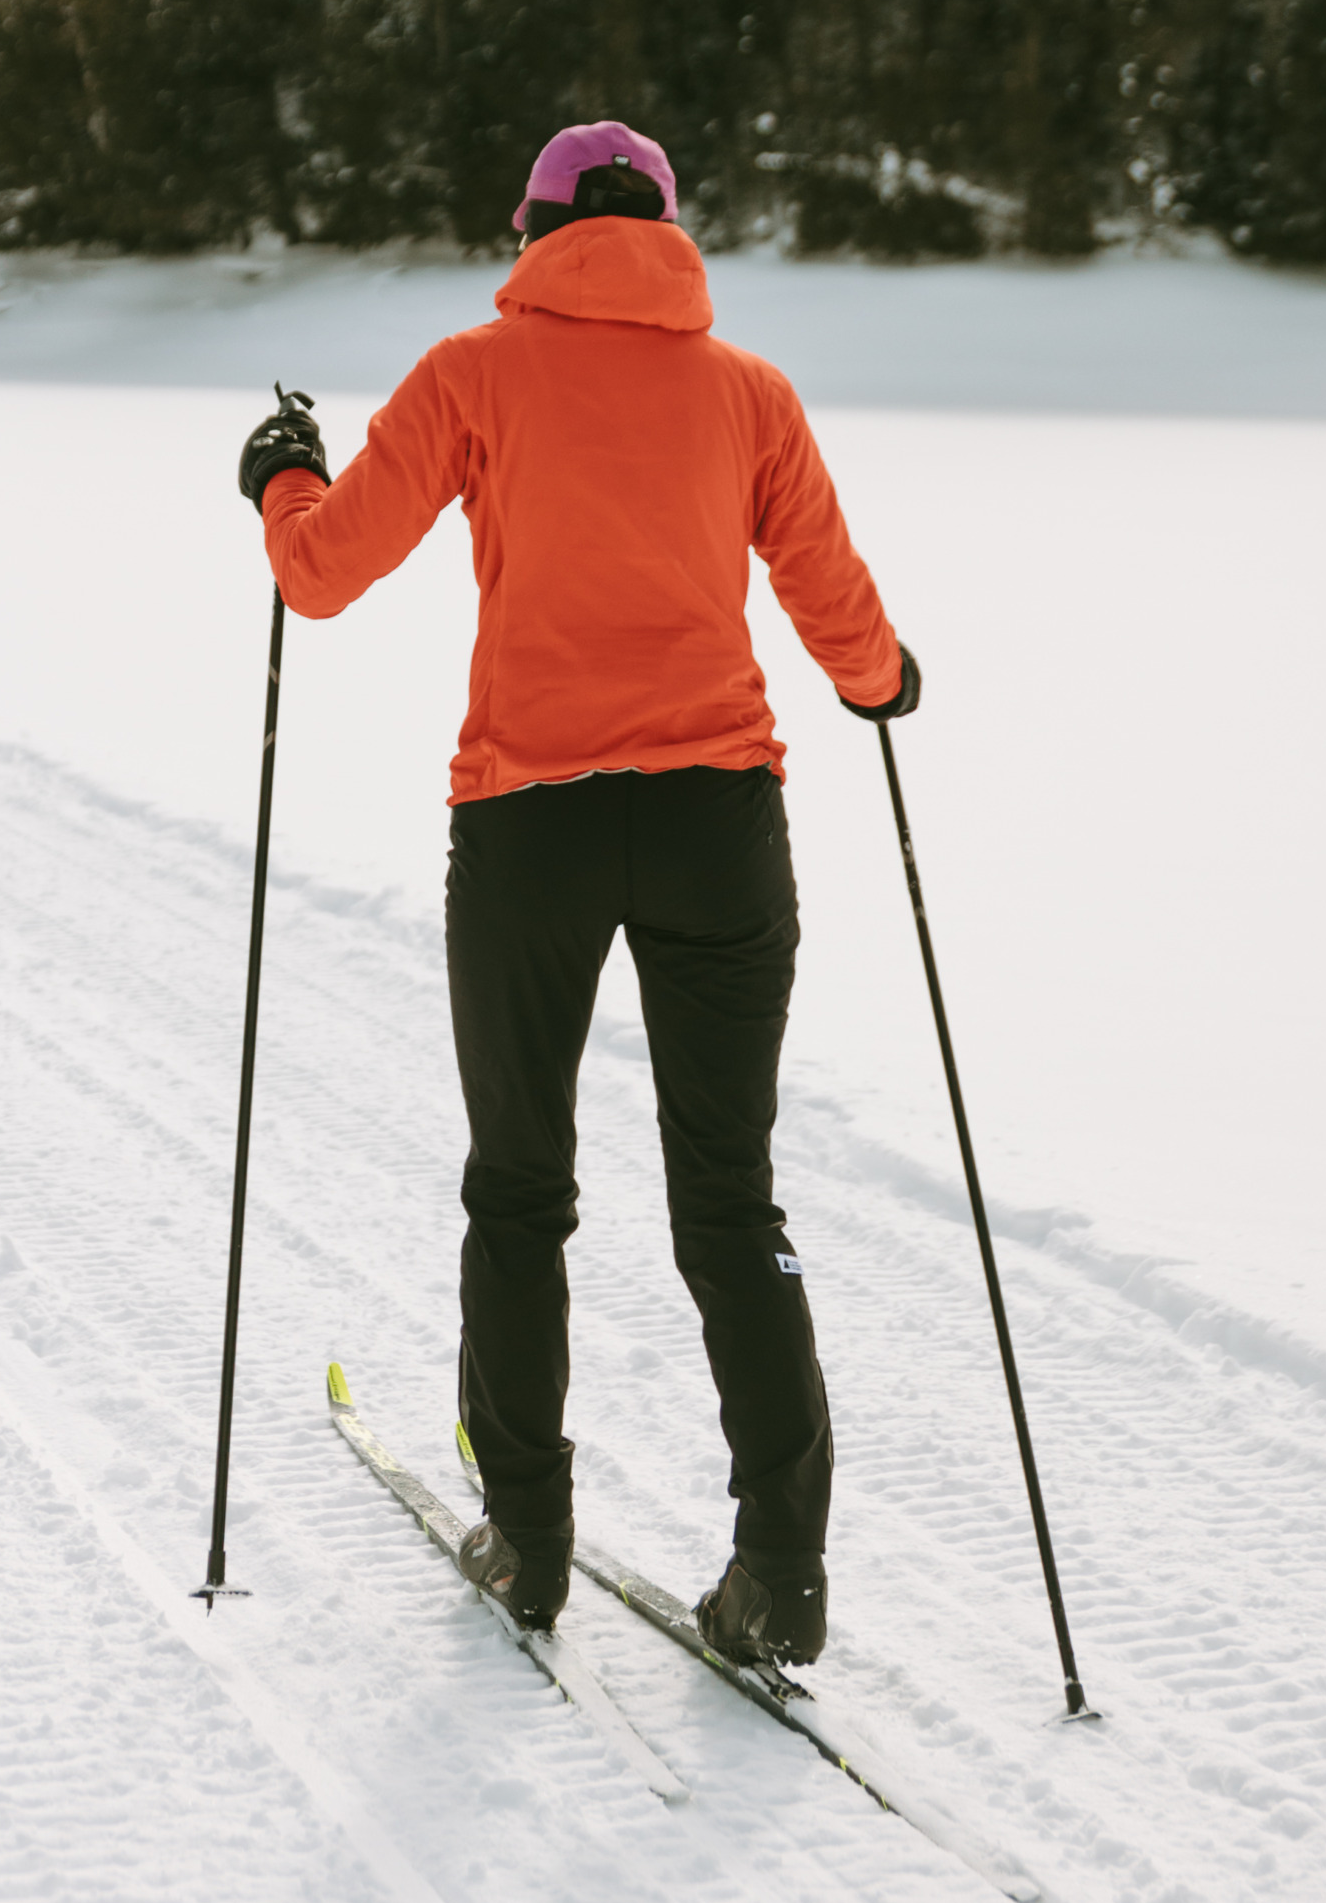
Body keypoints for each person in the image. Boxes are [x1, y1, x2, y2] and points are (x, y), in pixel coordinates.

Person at [235, 118, 918, 1666]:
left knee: (518, 1188)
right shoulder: (748, 392)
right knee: (729, 1200)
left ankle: (528, 1537)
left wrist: (283, 480)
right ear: (665, 230)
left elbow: (320, 574)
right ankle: (780, 1572)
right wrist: (882, 682)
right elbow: (831, 602)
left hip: (529, 827)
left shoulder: (473, 373)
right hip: (716, 823)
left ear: (532, 231)